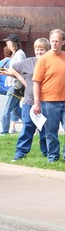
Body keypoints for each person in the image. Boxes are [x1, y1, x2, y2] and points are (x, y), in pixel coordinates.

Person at [10, 38, 49, 162]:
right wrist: (23, 81)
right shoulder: (28, 62)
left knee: (45, 129)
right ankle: (20, 153)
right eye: (37, 50)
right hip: (29, 101)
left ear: (47, 51)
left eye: (42, 50)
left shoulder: (50, 62)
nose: (39, 52)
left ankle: (47, 153)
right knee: (27, 127)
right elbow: (13, 69)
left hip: (47, 101)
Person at [32, 28, 65, 163]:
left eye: (57, 41)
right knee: (51, 132)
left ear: (63, 42)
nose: (54, 44)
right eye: (52, 41)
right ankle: (53, 156)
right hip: (49, 102)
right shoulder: (43, 59)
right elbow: (36, 82)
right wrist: (36, 102)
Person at [0, 34, 25, 134]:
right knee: (16, 110)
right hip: (13, 85)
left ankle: (4, 132)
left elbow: (19, 72)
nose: (6, 43)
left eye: (8, 41)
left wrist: (7, 73)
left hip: (15, 86)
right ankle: (33, 124)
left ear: (13, 43)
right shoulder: (15, 53)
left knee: (6, 110)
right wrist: (7, 70)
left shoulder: (19, 54)